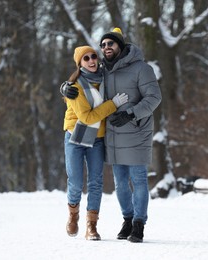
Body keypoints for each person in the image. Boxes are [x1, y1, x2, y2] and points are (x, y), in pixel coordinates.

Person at [62, 28, 162, 243]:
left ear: (121, 46)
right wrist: (65, 88)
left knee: (138, 180)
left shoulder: (141, 68)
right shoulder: (104, 70)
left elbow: (154, 97)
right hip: (113, 134)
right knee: (120, 184)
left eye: (111, 44)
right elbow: (83, 83)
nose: (106, 48)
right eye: (103, 45)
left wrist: (131, 113)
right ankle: (127, 219)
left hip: (136, 130)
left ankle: (138, 224)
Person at [62, 45, 128, 241]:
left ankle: (91, 225)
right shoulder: (74, 87)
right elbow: (88, 117)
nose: (91, 60)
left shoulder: (106, 79)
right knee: (75, 181)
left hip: (97, 138)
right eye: (86, 58)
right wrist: (113, 104)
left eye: (93, 57)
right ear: (80, 64)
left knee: (96, 182)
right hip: (75, 136)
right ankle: (73, 215)